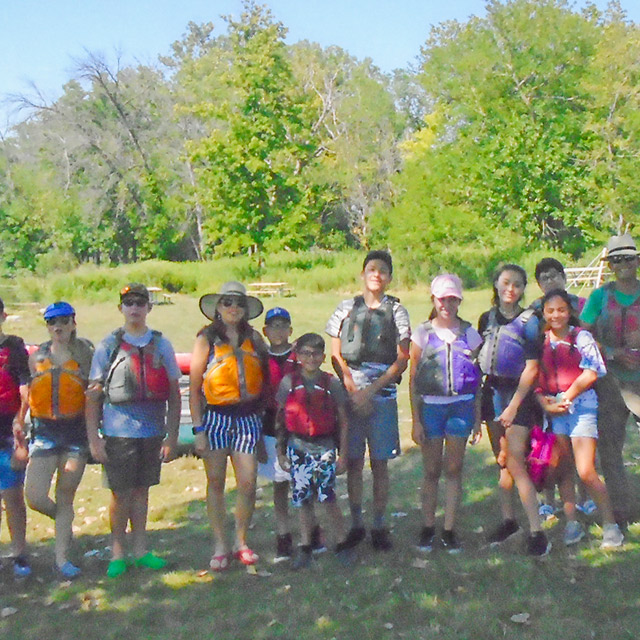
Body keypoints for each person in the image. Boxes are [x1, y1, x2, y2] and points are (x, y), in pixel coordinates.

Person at [85, 283, 181, 578]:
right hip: (118, 432)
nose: (135, 308)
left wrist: (172, 435)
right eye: (129, 303)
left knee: (141, 492)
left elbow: (175, 393)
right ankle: (117, 553)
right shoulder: (108, 345)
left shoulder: (162, 345)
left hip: (151, 432)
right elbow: (93, 395)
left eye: (140, 303)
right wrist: (94, 439)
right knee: (120, 494)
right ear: (121, 308)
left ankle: (140, 550)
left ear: (149, 307)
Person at [326, 250, 410, 551]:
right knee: (353, 461)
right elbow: (335, 353)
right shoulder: (346, 308)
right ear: (362, 273)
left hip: (382, 395)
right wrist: (352, 389)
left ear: (389, 277)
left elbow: (402, 359)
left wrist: (370, 391)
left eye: (382, 270)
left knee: (380, 462)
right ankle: (356, 523)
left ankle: (379, 524)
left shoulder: (397, 311)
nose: (376, 274)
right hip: (351, 393)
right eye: (371, 269)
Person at [535, 289, 623, 548]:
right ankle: (572, 522)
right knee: (564, 468)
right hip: (555, 410)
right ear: (544, 313)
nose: (556, 315)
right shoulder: (541, 341)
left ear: (570, 311)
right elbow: (536, 378)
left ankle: (611, 526)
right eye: (550, 311)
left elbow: (591, 372)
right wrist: (545, 403)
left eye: (561, 310)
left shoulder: (581, 337)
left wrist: (568, 397)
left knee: (585, 470)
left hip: (581, 406)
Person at [189, 281, 268, 571]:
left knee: (247, 482)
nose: (233, 308)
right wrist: (198, 430)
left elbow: (265, 379)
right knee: (216, 482)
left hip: (247, 417)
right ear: (218, 308)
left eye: (238, 303)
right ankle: (220, 545)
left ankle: (241, 541)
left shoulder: (254, 339)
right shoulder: (206, 339)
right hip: (216, 418)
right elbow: (194, 387)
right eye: (227, 302)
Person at [478, 264, 550, 556]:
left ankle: (536, 531)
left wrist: (513, 406)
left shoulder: (530, 321)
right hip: (492, 392)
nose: (511, 289)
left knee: (516, 461)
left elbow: (532, 368)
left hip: (518, 395)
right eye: (506, 282)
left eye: (517, 284)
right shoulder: (486, 318)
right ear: (496, 284)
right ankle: (509, 521)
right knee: (503, 460)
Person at [410, 275, 482, 553]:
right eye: (442, 299)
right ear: (433, 300)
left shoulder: (469, 333)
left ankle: (449, 529)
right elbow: (413, 379)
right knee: (431, 470)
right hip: (431, 407)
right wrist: (416, 420)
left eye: (453, 299)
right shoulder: (422, 333)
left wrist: (476, 419)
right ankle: (428, 526)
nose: (447, 305)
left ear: (459, 301)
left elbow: (478, 380)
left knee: (454, 469)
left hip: (461, 406)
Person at [24, 302, 94, 579]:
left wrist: (94, 434)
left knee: (66, 494)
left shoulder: (84, 355)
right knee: (35, 496)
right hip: (44, 432)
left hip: (75, 432)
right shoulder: (37, 357)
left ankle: (62, 559)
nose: (58, 327)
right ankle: (64, 522)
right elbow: (27, 393)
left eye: (64, 321)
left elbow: (94, 394)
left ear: (73, 323)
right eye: (52, 322)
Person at [275, 333, 353, 568]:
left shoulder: (332, 384)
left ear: (323, 356)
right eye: (306, 353)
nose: (311, 358)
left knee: (327, 497)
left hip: (324, 447)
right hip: (297, 447)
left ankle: (342, 542)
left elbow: (344, 421)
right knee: (302, 499)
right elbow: (280, 419)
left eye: (316, 353)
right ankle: (306, 545)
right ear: (298, 356)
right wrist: (280, 451)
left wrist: (343, 455)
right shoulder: (288, 383)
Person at [581, 233, 640, 528]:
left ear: (637, 261)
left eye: (628, 258)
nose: (623, 264)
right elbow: (582, 334)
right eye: (616, 260)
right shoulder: (599, 297)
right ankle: (621, 509)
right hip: (612, 382)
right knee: (610, 449)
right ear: (610, 265)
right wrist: (612, 352)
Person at [258, 307, 324, 562]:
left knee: (306, 482)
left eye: (283, 326)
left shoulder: (299, 356)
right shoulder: (260, 357)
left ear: (290, 330)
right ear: (265, 331)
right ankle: (283, 533)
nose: (278, 331)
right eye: (273, 326)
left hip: (299, 426)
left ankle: (312, 529)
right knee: (279, 483)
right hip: (271, 426)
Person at [530, 258, 593, 518]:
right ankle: (548, 499)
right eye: (544, 277)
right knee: (550, 446)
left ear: (564, 277)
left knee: (583, 445)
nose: (551, 280)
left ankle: (585, 497)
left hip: (581, 384)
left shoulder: (581, 304)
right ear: (538, 284)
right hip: (547, 386)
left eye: (555, 274)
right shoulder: (534, 311)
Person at [0, 297, 31, 577]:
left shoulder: (14, 348)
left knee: (12, 496)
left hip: (7, 432)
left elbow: (25, 390)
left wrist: (20, 424)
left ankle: (19, 552)